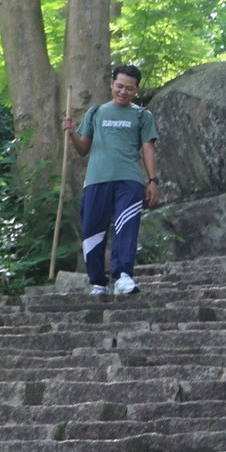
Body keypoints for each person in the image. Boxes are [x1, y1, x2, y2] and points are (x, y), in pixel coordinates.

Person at [63, 64, 160, 297]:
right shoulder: (95, 113)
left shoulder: (142, 115)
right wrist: (72, 133)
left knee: (126, 226)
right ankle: (98, 282)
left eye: (129, 88)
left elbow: (148, 149)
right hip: (96, 179)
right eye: (119, 86)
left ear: (136, 90)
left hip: (130, 179)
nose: (123, 92)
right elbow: (83, 149)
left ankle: (123, 276)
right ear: (111, 84)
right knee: (91, 230)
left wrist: (153, 180)